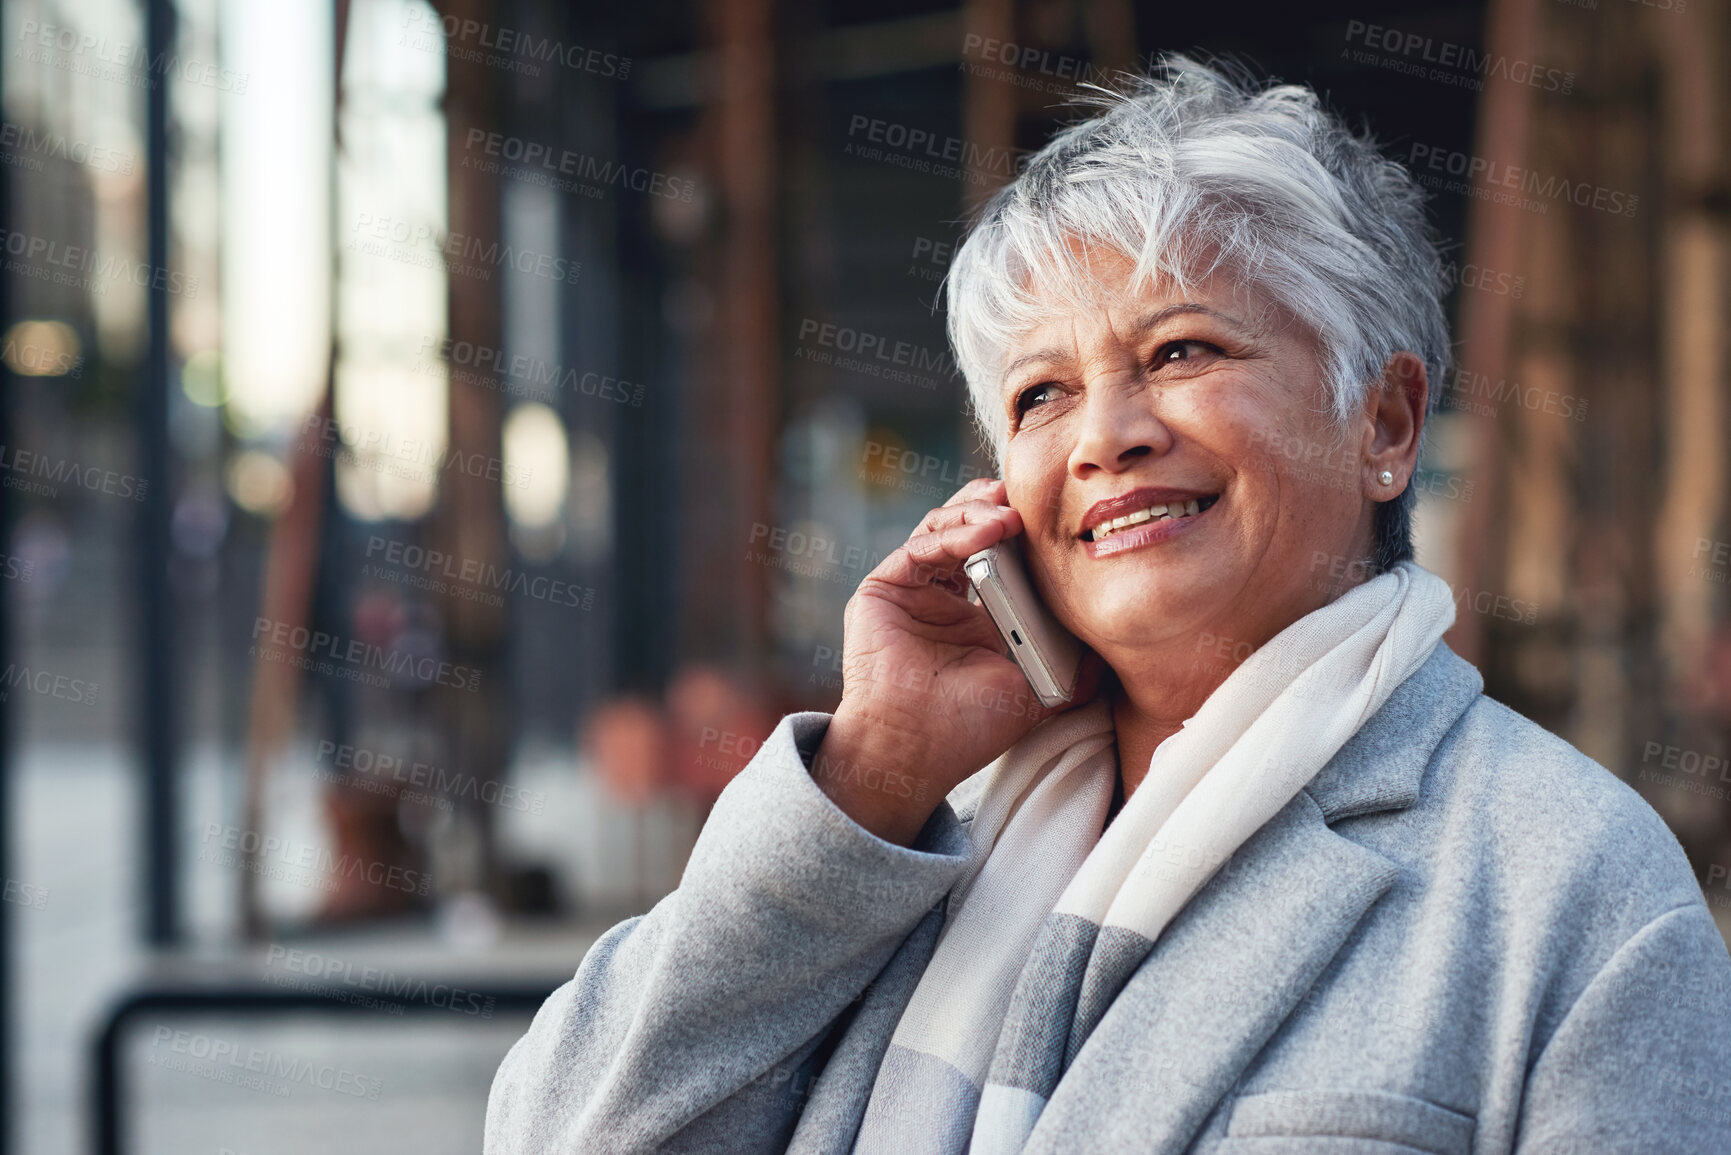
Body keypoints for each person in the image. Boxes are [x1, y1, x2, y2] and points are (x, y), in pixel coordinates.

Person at [485, 57, 1731, 1154]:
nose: (1106, 438)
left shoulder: (1571, 889)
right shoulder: (907, 843)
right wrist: (874, 767)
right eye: (1039, 396)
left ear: (1387, 423)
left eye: (1183, 351)